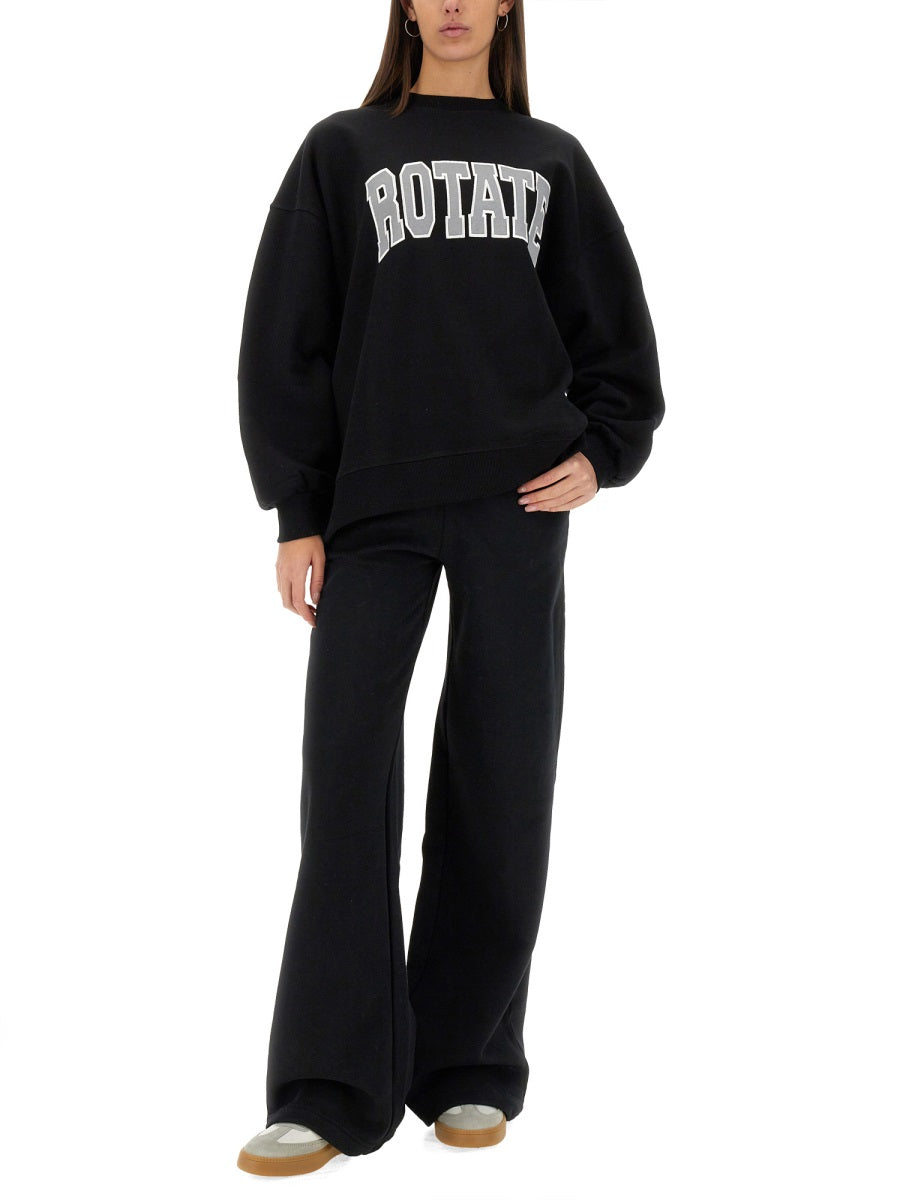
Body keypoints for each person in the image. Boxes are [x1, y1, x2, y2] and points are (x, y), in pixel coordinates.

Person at [235, 0, 665, 1177]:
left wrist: (604, 451)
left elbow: (617, 338)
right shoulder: (342, 147)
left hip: (515, 504)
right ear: (408, 7)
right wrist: (297, 508)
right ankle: (328, 1088)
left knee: (501, 774)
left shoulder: (552, 159)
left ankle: (467, 1065)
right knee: (346, 781)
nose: (457, 4)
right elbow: (287, 334)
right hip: (371, 507)